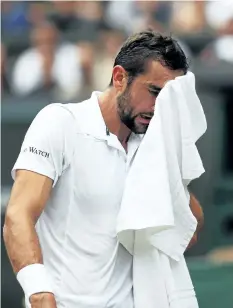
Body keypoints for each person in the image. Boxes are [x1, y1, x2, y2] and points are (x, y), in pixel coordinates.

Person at [3, 30, 204, 308]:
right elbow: (18, 216)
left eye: (168, 99)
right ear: (120, 78)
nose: (158, 107)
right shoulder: (60, 123)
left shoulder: (153, 144)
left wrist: (168, 161)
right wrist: (39, 292)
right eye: (154, 92)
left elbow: (188, 231)